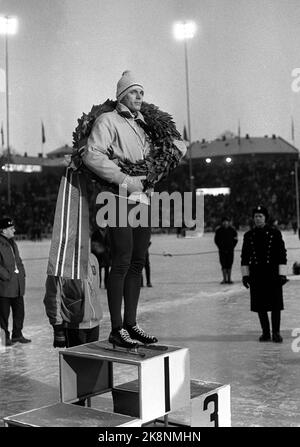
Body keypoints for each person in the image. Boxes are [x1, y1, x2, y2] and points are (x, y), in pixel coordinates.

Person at [81, 70, 186, 349]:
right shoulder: (108, 121)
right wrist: (125, 179)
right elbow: (92, 154)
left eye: (142, 92)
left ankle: (131, 323)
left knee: (138, 261)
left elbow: (157, 159)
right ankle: (117, 328)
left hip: (142, 199)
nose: (140, 97)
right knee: (122, 260)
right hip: (117, 196)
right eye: (134, 92)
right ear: (121, 95)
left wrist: (159, 168)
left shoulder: (144, 126)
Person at [241, 205, 288, 343]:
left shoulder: (275, 233)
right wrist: (245, 275)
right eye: (255, 216)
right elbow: (244, 257)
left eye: (260, 216)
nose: (257, 219)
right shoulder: (248, 235)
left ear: (265, 218)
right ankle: (266, 333)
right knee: (260, 306)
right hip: (256, 275)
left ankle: (276, 333)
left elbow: (282, 254)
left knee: (275, 305)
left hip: (272, 274)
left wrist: (282, 274)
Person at [44, 251, 103, 349]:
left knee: (92, 363)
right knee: (77, 362)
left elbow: (96, 291)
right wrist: (58, 328)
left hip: (94, 324)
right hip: (74, 325)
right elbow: (53, 297)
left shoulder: (92, 258)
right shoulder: (59, 264)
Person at [0, 217, 31, 346]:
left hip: (17, 285)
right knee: (3, 314)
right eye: (11, 228)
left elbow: (18, 260)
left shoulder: (13, 242)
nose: (14, 230)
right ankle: (4, 337)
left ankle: (17, 335)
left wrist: (22, 272)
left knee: (19, 312)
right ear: (3, 230)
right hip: (5, 286)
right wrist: (6, 275)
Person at [214, 216, 238, 284]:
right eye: (224, 221)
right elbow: (216, 240)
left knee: (229, 264)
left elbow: (236, 240)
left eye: (227, 221)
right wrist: (220, 247)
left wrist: (232, 246)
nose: (225, 223)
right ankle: (224, 279)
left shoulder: (233, 230)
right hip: (222, 250)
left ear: (229, 222)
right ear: (222, 222)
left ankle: (229, 279)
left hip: (230, 250)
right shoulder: (219, 230)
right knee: (223, 265)